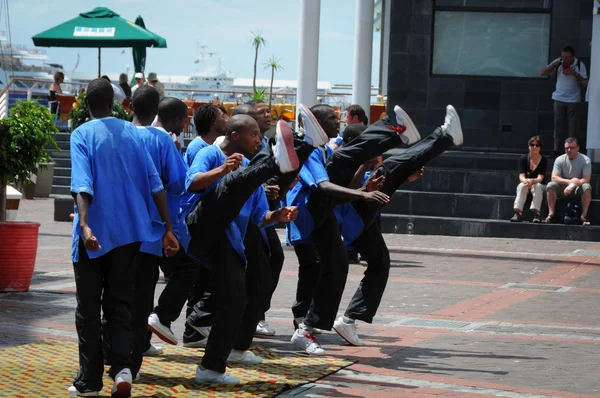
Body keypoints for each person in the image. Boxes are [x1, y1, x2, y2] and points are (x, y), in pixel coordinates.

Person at [184, 115, 320, 384]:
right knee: (233, 182)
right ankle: (288, 154)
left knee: (237, 298)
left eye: (261, 134)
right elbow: (192, 182)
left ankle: (211, 368)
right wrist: (222, 170)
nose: (259, 138)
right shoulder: (210, 153)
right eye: (254, 133)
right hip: (201, 224)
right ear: (235, 135)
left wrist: (278, 215)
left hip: (227, 238)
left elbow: (260, 216)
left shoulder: (249, 170)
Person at [67, 78, 179, 397]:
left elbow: (82, 184)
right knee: (119, 305)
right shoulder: (132, 132)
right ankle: (122, 371)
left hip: (94, 238)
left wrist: (86, 226)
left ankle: (89, 381)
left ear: (85, 103)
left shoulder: (82, 134)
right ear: (114, 104)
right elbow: (155, 183)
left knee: (88, 308)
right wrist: (168, 228)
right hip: (130, 235)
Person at [331, 105, 463, 346]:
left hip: (358, 221)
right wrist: (367, 166)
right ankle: (444, 136)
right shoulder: (339, 158)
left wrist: (404, 177)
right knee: (393, 164)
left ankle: (349, 320)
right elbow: (347, 192)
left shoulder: (347, 157)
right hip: (352, 216)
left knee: (380, 263)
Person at [286, 104, 404, 355]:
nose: (337, 122)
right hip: (309, 220)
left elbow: (338, 187)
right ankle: (303, 324)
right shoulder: (309, 151)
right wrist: (362, 194)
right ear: (316, 123)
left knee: (334, 267)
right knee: (314, 270)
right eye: (331, 118)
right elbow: (324, 186)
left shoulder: (321, 150)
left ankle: (307, 326)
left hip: (324, 217)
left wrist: (362, 191)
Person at [128, 86, 188, 380]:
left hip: (123, 227)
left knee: (118, 291)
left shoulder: (124, 134)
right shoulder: (162, 139)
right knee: (143, 291)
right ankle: (133, 354)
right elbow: (178, 182)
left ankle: (125, 347)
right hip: (154, 226)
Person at [540, 46, 588, 156]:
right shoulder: (558, 62)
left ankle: (571, 150)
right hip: (559, 98)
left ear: (572, 57)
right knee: (558, 125)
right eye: (563, 56)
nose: (564, 59)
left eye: (567, 57)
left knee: (573, 127)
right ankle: (555, 149)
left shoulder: (579, 65)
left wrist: (575, 73)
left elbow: (585, 82)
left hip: (573, 99)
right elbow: (542, 73)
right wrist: (554, 65)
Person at [545, 137, 592, 225]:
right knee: (551, 185)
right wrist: (569, 182)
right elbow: (554, 177)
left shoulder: (585, 160)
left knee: (587, 187)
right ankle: (551, 214)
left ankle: (583, 216)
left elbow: (586, 179)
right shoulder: (559, 159)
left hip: (578, 188)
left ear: (577, 148)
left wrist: (574, 184)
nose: (569, 150)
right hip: (563, 187)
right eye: (567, 148)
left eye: (572, 148)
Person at [510, 136, 548, 223]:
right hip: (527, 183)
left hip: (539, 183)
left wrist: (532, 181)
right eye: (532, 145)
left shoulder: (543, 160)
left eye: (537, 145)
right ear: (528, 146)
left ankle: (536, 213)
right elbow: (521, 176)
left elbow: (540, 178)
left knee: (537, 186)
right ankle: (518, 212)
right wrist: (526, 181)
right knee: (521, 186)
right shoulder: (523, 159)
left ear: (540, 147)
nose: (534, 147)